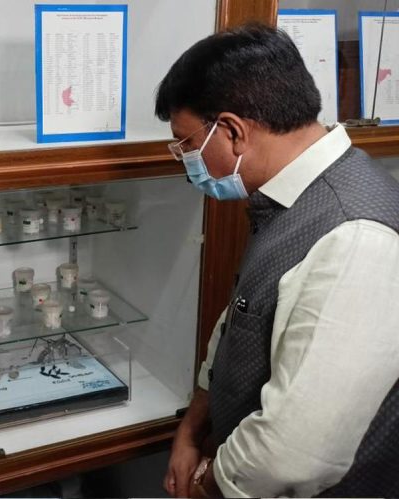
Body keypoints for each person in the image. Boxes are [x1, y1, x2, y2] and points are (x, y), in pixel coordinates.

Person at [155, 24, 399, 497]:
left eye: (188, 146)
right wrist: (191, 430)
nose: (188, 163)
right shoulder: (285, 199)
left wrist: (207, 488)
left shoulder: (357, 239)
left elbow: (296, 453)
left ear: (232, 131)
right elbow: (242, 320)